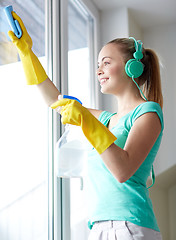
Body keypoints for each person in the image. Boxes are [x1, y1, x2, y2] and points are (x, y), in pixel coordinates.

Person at [9, 11, 164, 240]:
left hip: (130, 226)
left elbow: (122, 170)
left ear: (133, 67)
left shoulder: (148, 112)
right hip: (98, 227)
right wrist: (27, 53)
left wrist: (87, 122)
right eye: (98, 64)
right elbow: (55, 101)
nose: (98, 70)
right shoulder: (105, 120)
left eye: (107, 63)